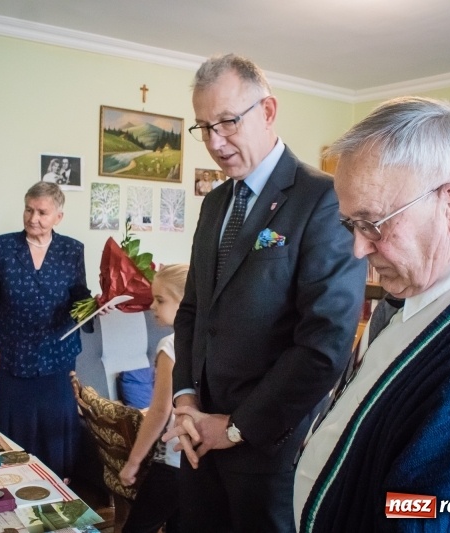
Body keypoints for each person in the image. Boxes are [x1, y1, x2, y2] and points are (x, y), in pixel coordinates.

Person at [294, 96, 450, 531]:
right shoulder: (427, 287)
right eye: (350, 225)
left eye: (373, 222)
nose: (359, 249)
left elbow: (449, 512)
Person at [163, 53, 366, 532]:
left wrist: (234, 427)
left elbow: (325, 344)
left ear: (268, 111)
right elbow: (193, 311)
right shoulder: (215, 202)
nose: (215, 142)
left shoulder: (323, 198)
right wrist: (187, 399)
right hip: (198, 440)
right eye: (203, 127)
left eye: (228, 122)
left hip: (267, 449)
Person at [0, 181, 91, 479]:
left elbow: (79, 298)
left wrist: (99, 305)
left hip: (57, 356)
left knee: (55, 425)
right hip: (11, 354)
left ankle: (57, 487)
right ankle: (11, 482)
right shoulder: (2, 247)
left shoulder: (71, 250)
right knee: (12, 424)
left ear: (58, 217)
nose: (33, 218)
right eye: (28, 209)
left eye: (42, 212)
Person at [119, 264, 189, 533]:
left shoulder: (170, 346)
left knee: (137, 528)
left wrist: (134, 461)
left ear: (186, 303)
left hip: (171, 462)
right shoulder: (211, 342)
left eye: (160, 300)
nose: (152, 307)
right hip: (198, 464)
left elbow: (160, 411)